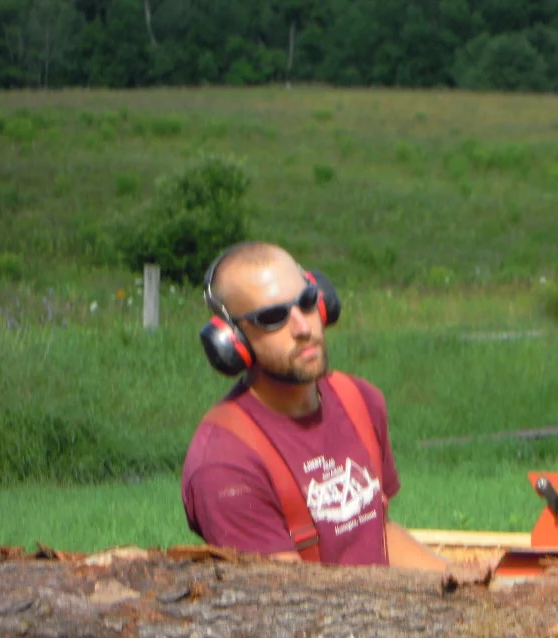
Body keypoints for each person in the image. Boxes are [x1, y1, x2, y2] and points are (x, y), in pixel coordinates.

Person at [181, 241, 491, 580]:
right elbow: (284, 599)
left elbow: (377, 535)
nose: (303, 328)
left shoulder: (359, 401)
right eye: (272, 318)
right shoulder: (225, 465)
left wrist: (459, 579)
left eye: (306, 301)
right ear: (231, 340)